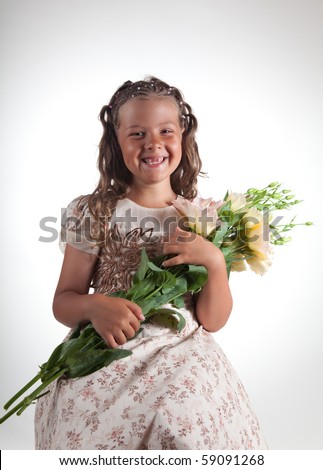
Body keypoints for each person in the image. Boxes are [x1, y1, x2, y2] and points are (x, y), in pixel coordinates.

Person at [34, 77, 267, 450]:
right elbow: (64, 301)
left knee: (179, 419)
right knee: (83, 418)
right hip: (108, 347)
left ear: (183, 138)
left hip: (180, 355)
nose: (153, 143)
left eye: (165, 131)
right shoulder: (93, 212)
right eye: (137, 133)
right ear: (117, 142)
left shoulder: (202, 219)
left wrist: (214, 262)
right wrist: (94, 305)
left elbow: (214, 320)